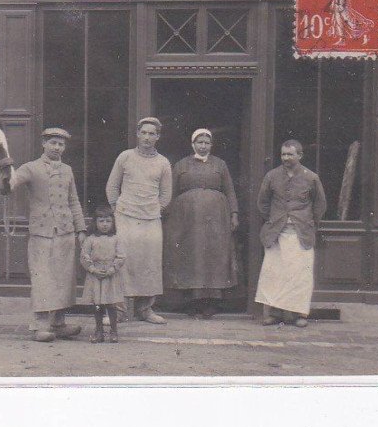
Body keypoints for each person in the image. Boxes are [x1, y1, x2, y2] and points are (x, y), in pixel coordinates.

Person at [11, 127, 87, 342]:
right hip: (42, 232)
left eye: (61, 144)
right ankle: (40, 326)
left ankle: (59, 323)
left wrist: (80, 229)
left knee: (64, 279)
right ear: (43, 143)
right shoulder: (31, 168)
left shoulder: (68, 170)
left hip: (65, 230)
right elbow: (11, 182)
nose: (57, 147)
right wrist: (1, 178)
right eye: (53, 142)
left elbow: (74, 201)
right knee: (43, 278)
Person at [163, 128, 239, 319]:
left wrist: (234, 214)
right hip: (187, 220)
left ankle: (211, 302)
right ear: (193, 144)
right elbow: (170, 192)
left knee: (213, 257)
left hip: (216, 219)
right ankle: (191, 302)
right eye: (199, 142)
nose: (203, 146)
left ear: (211, 145)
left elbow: (229, 190)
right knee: (190, 257)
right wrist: (168, 216)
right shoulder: (181, 165)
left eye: (206, 143)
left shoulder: (220, 165)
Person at [106, 117, 173, 324]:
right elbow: (112, 187)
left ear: (158, 137)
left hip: (150, 219)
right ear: (137, 134)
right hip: (126, 218)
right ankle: (120, 310)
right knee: (124, 262)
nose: (147, 137)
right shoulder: (125, 157)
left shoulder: (163, 162)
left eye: (152, 133)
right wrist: (118, 209)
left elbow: (166, 194)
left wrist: (154, 209)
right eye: (143, 132)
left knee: (150, 264)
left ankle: (146, 309)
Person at [255, 139, 327, 327]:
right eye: (283, 154)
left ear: (300, 155)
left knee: (299, 275)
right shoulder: (271, 176)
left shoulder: (311, 177)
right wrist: (275, 219)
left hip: (300, 234)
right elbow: (262, 203)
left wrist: (308, 223)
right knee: (274, 274)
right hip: (277, 233)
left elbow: (320, 205)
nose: (286, 158)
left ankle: (299, 314)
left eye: (290, 154)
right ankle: (274, 313)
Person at [80, 206, 125, 343]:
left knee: (111, 304)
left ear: (113, 223)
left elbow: (121, 257)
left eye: (108, 221)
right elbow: (84, 256)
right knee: (97, 304)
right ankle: (99, 331)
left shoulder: (116, 239)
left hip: (110, 275)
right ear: (95, 223)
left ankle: (114, 331)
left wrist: (112, 269)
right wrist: (93, 269)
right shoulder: (90, 239)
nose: (105, 224)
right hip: (95, 275)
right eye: (101, 221)